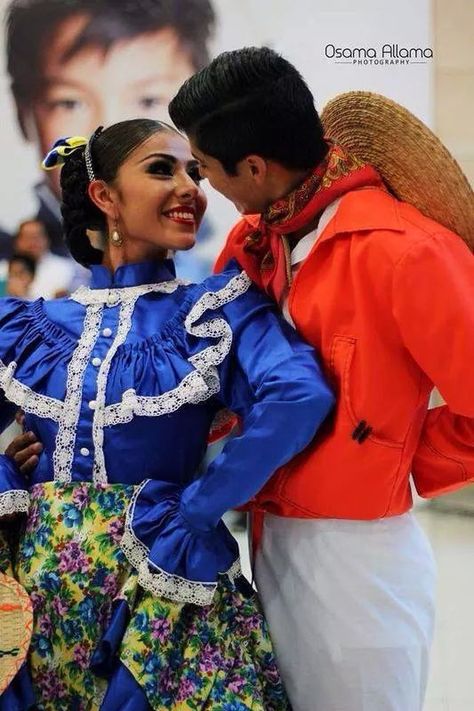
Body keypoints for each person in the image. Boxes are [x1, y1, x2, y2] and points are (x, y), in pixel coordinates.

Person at [168, 47, 474, 711]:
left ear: (254, 167)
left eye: (206, 167)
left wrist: (405, 458)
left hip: (358, 553)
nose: (202, 185)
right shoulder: (256, 240)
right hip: (269, 535)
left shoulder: (406, 250)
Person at [0, 118, 334, 709]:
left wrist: (199, 506)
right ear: (104, 196)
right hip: (37, 593)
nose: (190, 187)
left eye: (195, 172)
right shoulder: (33, 326)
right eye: (162, 169)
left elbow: (298, 395)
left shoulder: (217, 310)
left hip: (161, 585)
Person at [5, 0, 217, 280]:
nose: (111, 127)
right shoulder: (23, 310)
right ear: (24, 113)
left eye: (149, 99)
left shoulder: (235, 284)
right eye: (70, 103)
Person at [14, 219, 79, 298]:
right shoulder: (3, 270)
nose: (32, 242)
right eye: (27, 237)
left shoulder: (66, 268)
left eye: (37, 237)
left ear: (47, 239)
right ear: (17, 241)